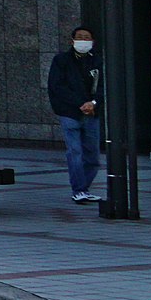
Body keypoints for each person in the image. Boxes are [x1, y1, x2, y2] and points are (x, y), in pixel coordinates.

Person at [46, 25, 103, 203]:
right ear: (72, 41)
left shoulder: (97, 61)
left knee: (92, 154)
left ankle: (83, 187)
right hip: (69, 112)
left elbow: (102, 87)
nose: (83, 41)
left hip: (92, 112)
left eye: (87, 38)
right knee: (75, 151)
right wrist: (80, 103)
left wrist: (93, 103)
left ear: (93, 42)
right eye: (80, 37)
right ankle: (78, 189)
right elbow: (57, 87)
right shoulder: (61, 60)